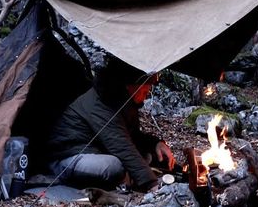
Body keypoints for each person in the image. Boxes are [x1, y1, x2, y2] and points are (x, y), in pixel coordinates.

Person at [45, 57, 176, 191]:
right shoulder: (101, 102)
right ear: (131, 86)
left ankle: (129, 177)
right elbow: (121, 145)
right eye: (145, 90)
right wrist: (152, 185)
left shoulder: (121, 100)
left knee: (149, 156)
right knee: (113, 166)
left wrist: (155, 143)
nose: (147, 95)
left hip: (98, 150)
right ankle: (126, 179)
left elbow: (131, 135)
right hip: (68, 157)